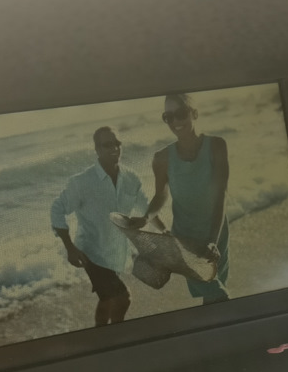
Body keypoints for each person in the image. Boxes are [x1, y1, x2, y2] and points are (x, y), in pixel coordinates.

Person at [132, 93, 229, 303]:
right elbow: (160, 195)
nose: (175, 121)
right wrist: (146, 217)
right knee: (219, 295)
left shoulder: (217, 146)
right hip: (185, 240)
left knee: (213, 298)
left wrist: (213, 241)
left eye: (181, 113)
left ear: (194, 113)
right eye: (168, 117)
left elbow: (221, 194)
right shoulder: (161, 158)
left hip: (217, 232)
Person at [51, 126, 148, 326]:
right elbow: (57, 209)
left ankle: (100, 332)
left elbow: (147, 207)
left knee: (107, 300)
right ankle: (115, 337)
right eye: (107, 145)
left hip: (115, 252)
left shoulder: (131, 177)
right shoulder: (82, 182)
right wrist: (70, 248)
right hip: (91, 253)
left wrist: (149, 222)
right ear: (97, 149)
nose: (114, 148)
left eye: (117, 143)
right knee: (123, 298)